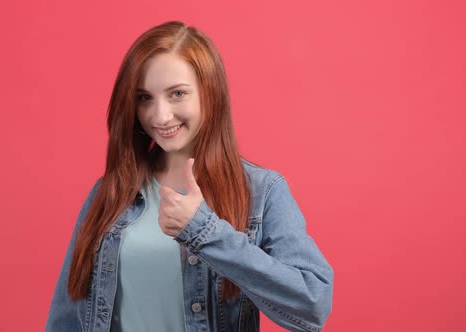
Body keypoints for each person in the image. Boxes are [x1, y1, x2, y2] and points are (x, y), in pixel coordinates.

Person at [45, 20, 334, 332]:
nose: (160, 115)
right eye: (144, 98)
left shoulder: (262, 192)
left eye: (177, 94)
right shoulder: (111, 192)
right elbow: (66, 316)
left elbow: (311, 306)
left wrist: (204, 231)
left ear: (210, 93)